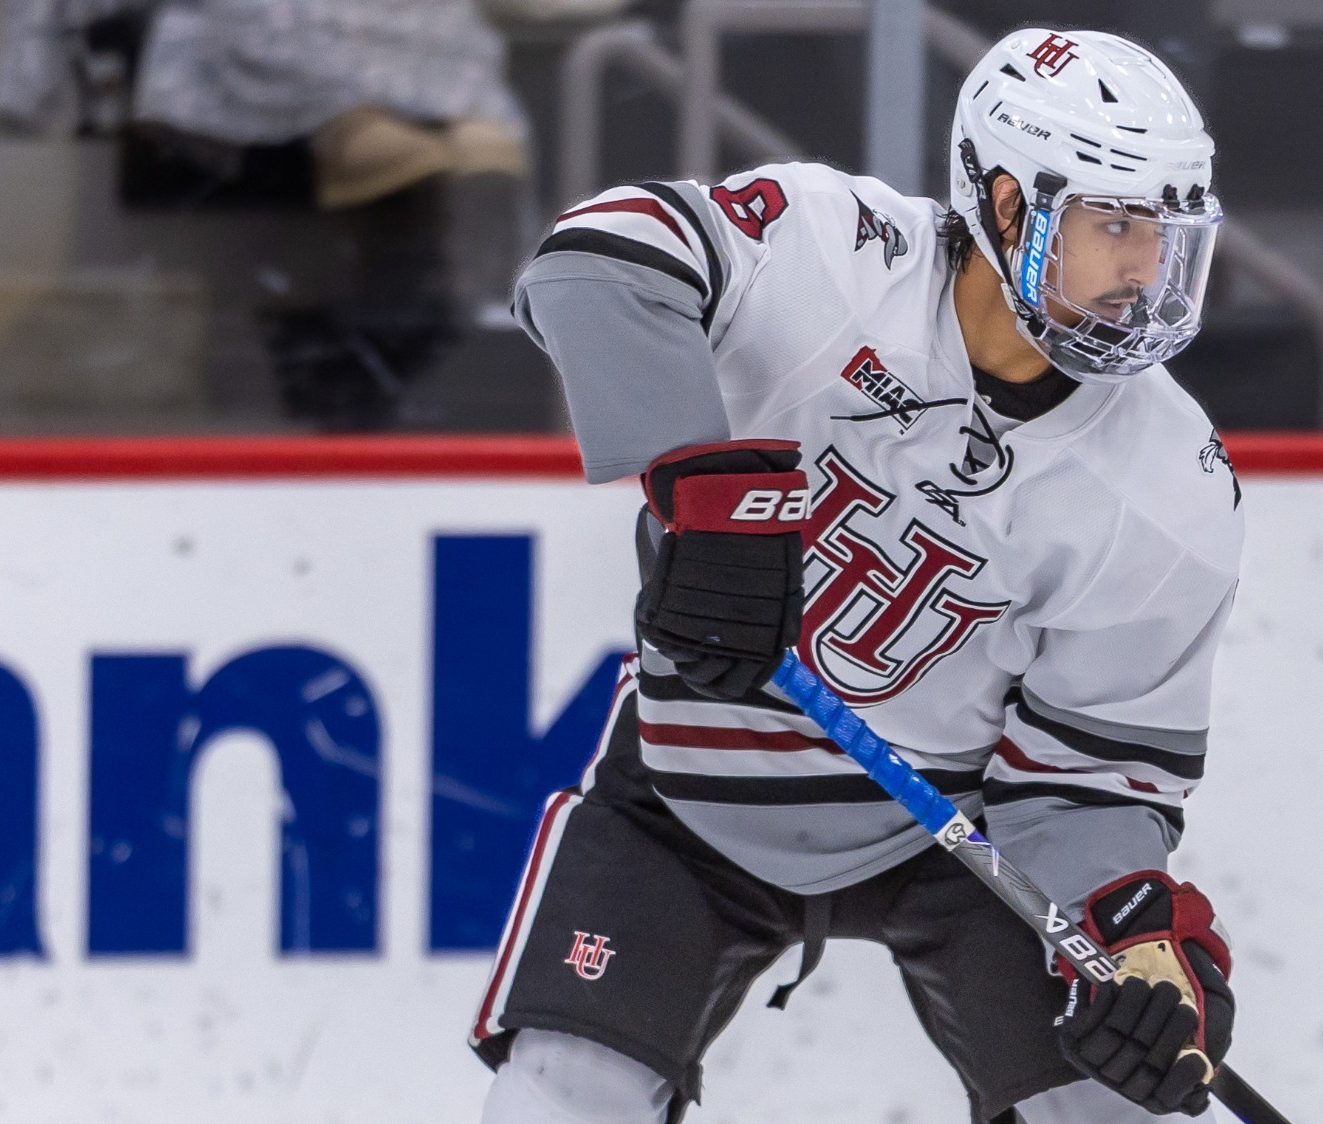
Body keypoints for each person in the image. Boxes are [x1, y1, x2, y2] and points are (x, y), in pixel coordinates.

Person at [471, 27, 1244, 1124]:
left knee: (1116, 1111)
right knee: (555, 1102)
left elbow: (1093, 776)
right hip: (686, 802)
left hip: (957, 839)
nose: (1142, 274)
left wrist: (1142, 940)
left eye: (1163, 239)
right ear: (1009, 205)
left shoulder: (1173, 487)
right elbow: (591, 259)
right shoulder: (833, 253)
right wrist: (705, 490)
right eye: (1113, 226)